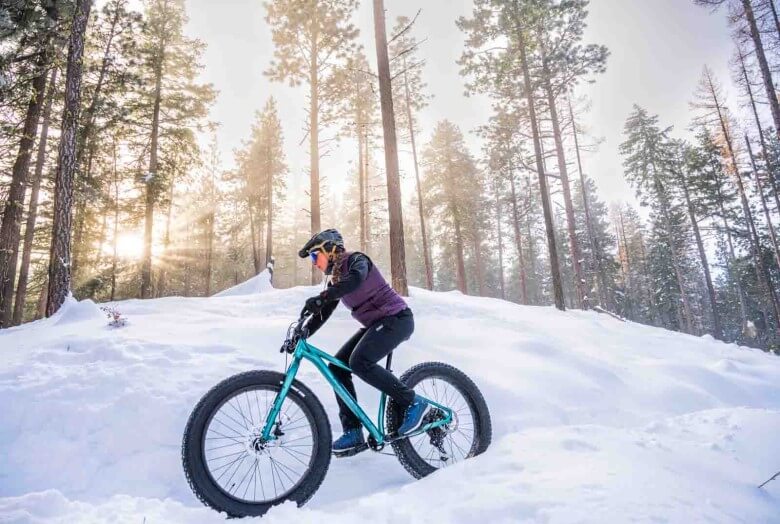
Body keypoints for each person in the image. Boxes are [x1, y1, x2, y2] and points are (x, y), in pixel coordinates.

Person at [298, 228, 431, 455]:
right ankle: (353, 431)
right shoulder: (337, 281)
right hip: (378, 324)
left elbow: (356, 280)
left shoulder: (356, 261)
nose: (313, 262)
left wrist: (323, 297)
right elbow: (324, 312)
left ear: (330, 249)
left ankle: (414, 401)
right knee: (337, 367)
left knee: (359, 361)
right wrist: (302, 333)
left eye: (314, 255)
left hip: (396, 319)